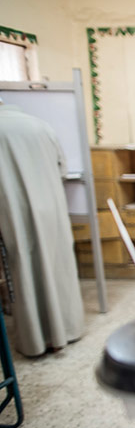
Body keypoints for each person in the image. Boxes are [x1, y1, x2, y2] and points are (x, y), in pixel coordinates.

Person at [0, 99, 84, 356]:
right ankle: (66, 331)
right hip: (51, 209)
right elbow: (62, 169)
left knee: (24, 270)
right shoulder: (40, 125)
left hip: (13, 211)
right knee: (57, 268)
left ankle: (35, 341)